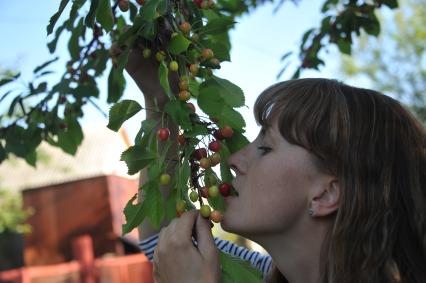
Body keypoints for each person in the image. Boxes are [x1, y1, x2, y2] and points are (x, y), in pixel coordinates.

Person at [126, 49, 426, 283]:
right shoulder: (263, 273)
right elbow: (164, 243)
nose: (232, 159)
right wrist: (161, 101)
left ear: (326, 194)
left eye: (266, 148)